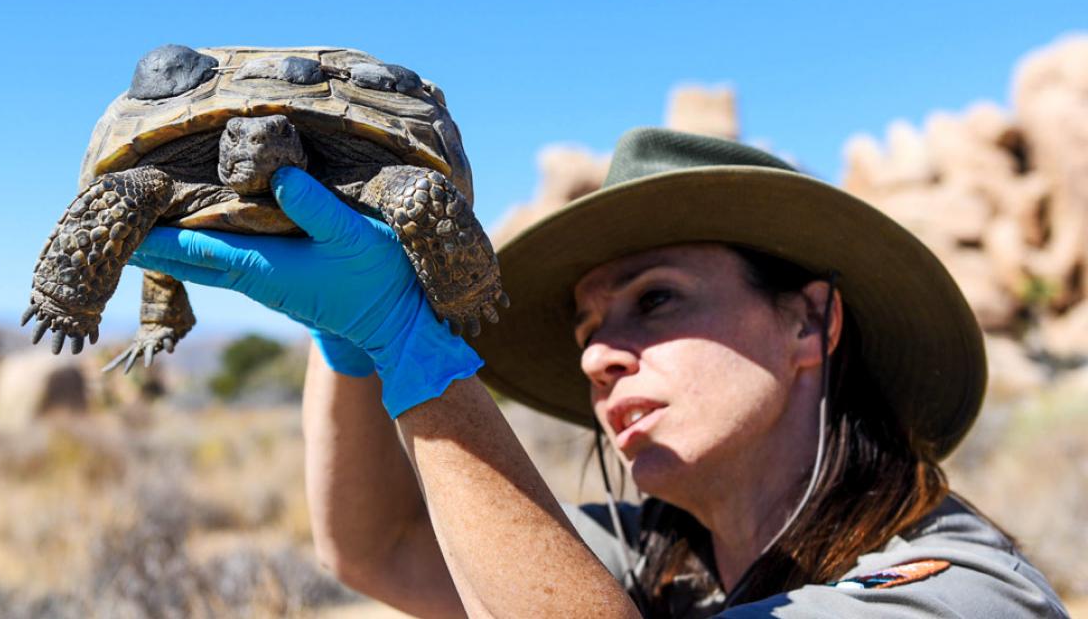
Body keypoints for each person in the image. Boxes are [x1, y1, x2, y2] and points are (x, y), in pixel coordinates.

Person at [129, 127, 1069, 617]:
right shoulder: (656, 558)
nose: (595, 354)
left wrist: (413, 344)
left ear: (809, 322)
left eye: (656, 300)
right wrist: (355, 347)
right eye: (585, 325)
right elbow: (377, 549)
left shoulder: (959, 593)